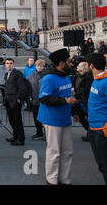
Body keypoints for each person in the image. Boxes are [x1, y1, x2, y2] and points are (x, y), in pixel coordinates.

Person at [38, 48, 78, 185]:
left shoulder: (66, 76)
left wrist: (73, 112)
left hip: (65, 118)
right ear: (61, 63)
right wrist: (65, 101)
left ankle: (65, 180)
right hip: (52, 119)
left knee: (68, 151)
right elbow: (43, 98)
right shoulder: (48, 78)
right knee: (54, 152)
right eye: (68, 61)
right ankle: (52, 180)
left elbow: (67, 95)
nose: (71, 64)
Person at [85, 53, 107, 184]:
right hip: (93, 129)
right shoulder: (96, 79)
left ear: (91, 65)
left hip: (101, 130)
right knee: (101, 165)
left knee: (105, 166)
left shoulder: (105, 81)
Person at [4, 58, 27, 146]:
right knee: (11, 120)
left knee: (17, 120)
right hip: (8, 100)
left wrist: (18, 98)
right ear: (5, 65)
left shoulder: (17, 74)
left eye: (10, 63)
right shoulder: (7, 74)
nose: (9, 65)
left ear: (13, 64)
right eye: (7, 63)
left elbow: (22, 87)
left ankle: (21, 139)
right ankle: (15, 136)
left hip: (15, 101)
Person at [72, 61, 94, 142]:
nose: (77, 66)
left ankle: (91, 134)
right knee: (81, 118)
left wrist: (76, 90)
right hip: (78, 100)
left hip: (85, 100)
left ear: (83, 68)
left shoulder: (88, 77)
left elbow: (86, 89)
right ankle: (89, 132)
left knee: (89, 117)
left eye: (79, 66)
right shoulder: (76, 76)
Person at [27, 59, 46, 140]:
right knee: (36, 117)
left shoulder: (46, 75)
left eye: (41, 66)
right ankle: (39, 133)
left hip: (45, 100)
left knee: (45, 118)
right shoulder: (31, 75)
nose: (39, 67)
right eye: (38, 65)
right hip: (35, 99)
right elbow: (27, 83)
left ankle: (47, 134)